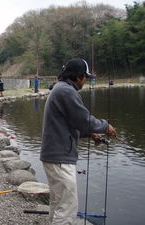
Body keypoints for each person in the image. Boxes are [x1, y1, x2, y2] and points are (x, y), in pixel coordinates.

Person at [40, 58, 117, 225]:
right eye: (86, 77)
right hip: (60, 158)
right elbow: (84, 120)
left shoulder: (61, 89)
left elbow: (71, 123)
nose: (86, 80)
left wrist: (90, 134)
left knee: (58, 203)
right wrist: (105, 127)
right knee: (68, 207)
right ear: (78, 76)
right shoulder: (66, 91)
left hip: (53, 156)